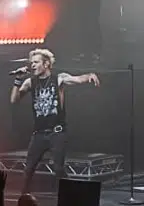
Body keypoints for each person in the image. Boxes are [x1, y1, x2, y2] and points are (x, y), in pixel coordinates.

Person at [9, 47, 99, 196]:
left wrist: (89, 75)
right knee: (28, 168)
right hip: (39, 134)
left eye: (36, 62)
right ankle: (23, 201)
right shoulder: (30, 82)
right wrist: (18, 80)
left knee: (58, 168)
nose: (32, 65)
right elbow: (14, 100)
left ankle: (70, 198)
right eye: (32, 63)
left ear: (46, 64)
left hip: (57, 133)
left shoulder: (58, 78)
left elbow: (77, 79)